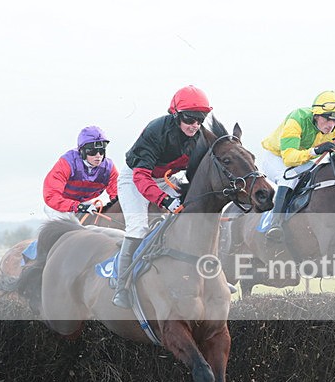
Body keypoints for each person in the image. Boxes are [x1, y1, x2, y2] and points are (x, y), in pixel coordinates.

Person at [112, 85, 212, 308]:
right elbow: (141, 178)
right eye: (190, 118)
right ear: (176, 115)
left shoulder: (200, 135)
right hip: (135, 177)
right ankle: (122, 286)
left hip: (165, 179)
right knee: (138, 227)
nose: (195, 125)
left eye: (200, 119)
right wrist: (165, 200)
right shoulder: (156, 130)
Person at [259, 90, 335, 241]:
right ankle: (275, 223)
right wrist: (316, 150)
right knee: (289, 177)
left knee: (320, 176)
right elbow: (289, 159)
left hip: (301, 160)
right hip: (276, 157)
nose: (331, 125)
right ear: (316, 115)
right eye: (327, 119)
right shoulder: (297, 119)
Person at [42, 126, 118, 221]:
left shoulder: (108, 168)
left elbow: (118, 194)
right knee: (69, 226)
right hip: (59, 206)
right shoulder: (67, 163)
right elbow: (51, 196)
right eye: (93, 151)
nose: (98, 156)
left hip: (85, 202)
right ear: (82, 151)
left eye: (101, 151)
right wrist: (78, 207)